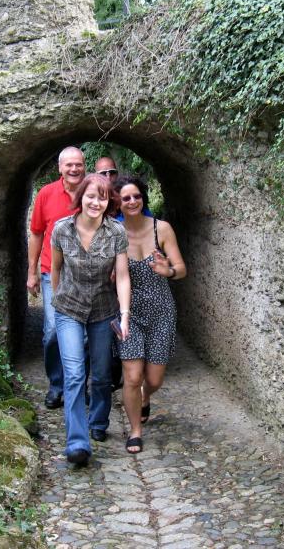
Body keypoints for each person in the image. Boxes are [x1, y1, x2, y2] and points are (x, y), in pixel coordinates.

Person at [51, 174, 131, 466]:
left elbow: (122, 276)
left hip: (103, 309)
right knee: (74, 374)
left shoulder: (116, 232)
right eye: (91, 196)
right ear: (81, 197)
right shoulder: (62, 229)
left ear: (109, 202)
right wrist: (58, 301)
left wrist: (124, 315)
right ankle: (77, 442)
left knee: (101, 374)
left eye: (102, 197)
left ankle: (98, 421)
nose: (96, 202)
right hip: (69, 308)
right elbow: (56, 270)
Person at [114, 176, 186, 454]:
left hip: (161, 311)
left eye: (136, 196)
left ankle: (145, 397)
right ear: (118, 203)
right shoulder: (114, 232)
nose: (132, 201)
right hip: (129, 313)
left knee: (153, 380)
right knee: (132, 376)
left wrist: (168, 270)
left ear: (143, 198)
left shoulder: (161, 229)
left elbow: (181, 269)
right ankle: (135, 431)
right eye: (126, 198)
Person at [27, 146, 85, 409]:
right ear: (60, 167)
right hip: (54, 272)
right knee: (52, 330)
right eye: (69, 165)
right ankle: (56, 384)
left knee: (84, 333)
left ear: (84, 166)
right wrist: (32, 271)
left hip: (87, 274)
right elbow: (37, 233)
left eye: (78, 164)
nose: (74, 169)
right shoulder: (46, 194)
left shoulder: (92, 191)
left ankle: (78, 383)